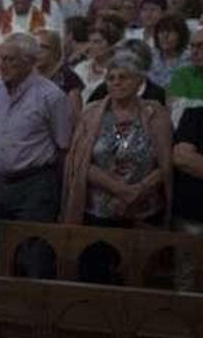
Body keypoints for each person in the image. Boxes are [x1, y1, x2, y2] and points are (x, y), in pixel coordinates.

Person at [0, 33, 72, 277]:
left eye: (10, 59)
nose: (2, 65)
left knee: (33, 254)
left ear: (30, 61)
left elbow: (63, 145)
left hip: (34, 185)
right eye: (0, 58)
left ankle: (31, 310)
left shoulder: (51, 96)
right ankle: (0, 304)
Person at [63, 51, 173, 228]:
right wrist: (121, 190)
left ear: (139, 82)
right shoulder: (91, 114)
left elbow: (165, 163)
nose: (116, 82)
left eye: (123, 77)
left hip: (144, 208)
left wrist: (139, 190)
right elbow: (80, 160)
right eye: (111, 78)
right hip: (98, 212)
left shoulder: (156, 114)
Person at [172, 68, 203, 290]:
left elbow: (194, 161)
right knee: (186, 276)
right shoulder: (194, 116)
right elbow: (182, 158)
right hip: (193, 213)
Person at [35, 29, 86, 129]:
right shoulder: (25, 76)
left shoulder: (69, 79)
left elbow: (76, 121)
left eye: (44, 47)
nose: (38, 52)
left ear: (55, 51)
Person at [73, 18, 125, 103]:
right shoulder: (80, 67)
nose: (90, 46)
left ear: (111, 45)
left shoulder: (120, 71)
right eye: (89, 42)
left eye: (97, 42)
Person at [149, 13, 191, 87]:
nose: (165, 36)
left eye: (171, 32)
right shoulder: (149, 57)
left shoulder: (190, 59)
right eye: (161, 32)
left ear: (181, 35)